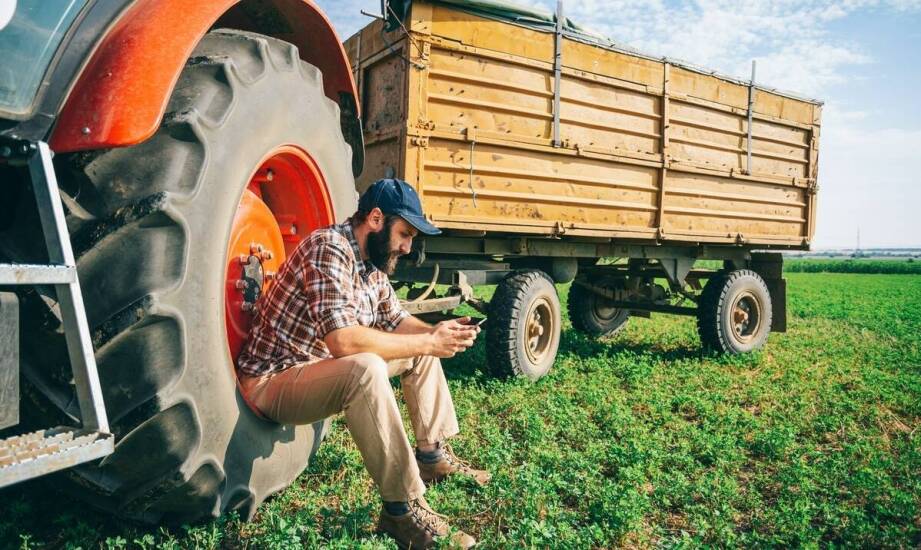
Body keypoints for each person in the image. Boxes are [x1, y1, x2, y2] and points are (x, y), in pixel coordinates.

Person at [237, 178, 489, 549]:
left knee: (419, 347)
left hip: (313, 369)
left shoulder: (372, 266)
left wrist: (438, 333)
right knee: (366, 367)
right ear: (375, 218)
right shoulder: (329, 248)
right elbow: (342, 341)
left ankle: (432, 456)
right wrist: (427, 339)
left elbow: (397, 322)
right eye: (404, 234)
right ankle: (402, 510)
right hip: (271, 380)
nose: (406, 247)